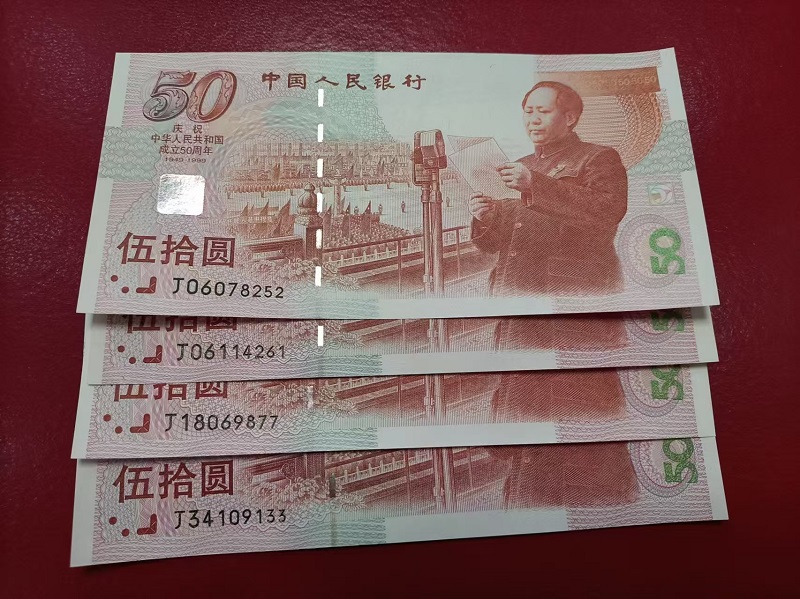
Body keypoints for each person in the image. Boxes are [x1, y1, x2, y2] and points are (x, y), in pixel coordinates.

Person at [468, 81, 628, 297]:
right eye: (528, 112)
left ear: (569, 118)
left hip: (567, 292)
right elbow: (494, 245)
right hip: (512, 288)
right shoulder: (523, 164)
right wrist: (486, 218)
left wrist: (533, 183)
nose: (533, 120)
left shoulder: (598, 157)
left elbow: (607, 211)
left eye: (543, 111)